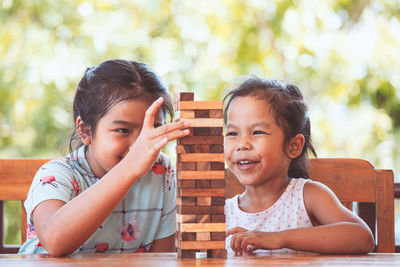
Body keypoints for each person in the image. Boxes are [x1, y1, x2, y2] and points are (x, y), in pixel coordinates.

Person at [19, 59, 190, 256]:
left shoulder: (161, 171)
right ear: (85, 131)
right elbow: (54, 241)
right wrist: (130, 168)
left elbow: (161, 258)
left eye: (151, 129)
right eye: (123, 130)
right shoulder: (56, 175)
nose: (139, 145)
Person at [223, 77, 374, 256]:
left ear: (293, 146)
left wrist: (277, 238)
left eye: (257, 132)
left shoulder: (307, 196)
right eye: (233, 133)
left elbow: (362, 237)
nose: (242, 144)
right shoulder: (223, 212)